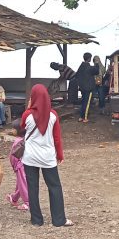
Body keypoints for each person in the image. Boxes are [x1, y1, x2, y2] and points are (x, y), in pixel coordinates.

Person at [21, 84, 74, 227]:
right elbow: (57, 137)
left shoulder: (27, 115)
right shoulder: (53, 115)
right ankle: (59, 220)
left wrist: (29, 107)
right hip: (48, 157)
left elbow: (22, 128)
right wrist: (60, 155)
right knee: (54, 187)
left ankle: (36, 220)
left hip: (30, 156)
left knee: (33, 188)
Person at [5, 121, 29, 211]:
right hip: (22, 165)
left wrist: (15, 166)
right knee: (21, 183)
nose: (12, 130)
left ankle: (27, 202)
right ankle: (14, 198)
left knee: (23, 184)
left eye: (13, 129)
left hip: (19, 166)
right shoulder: (24, 139)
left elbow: (14, 156)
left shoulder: (18, 141)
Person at [75, 52, 97, 122]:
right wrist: (96, 63)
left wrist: (81, 85)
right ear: (89, 58)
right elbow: (97, 71)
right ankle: (85, 118)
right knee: (87, 103)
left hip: (83, 88)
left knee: (84, 102)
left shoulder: (81, 66)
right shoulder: (89, 67)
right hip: (88, 89)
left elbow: (77, 76)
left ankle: (81, 117)